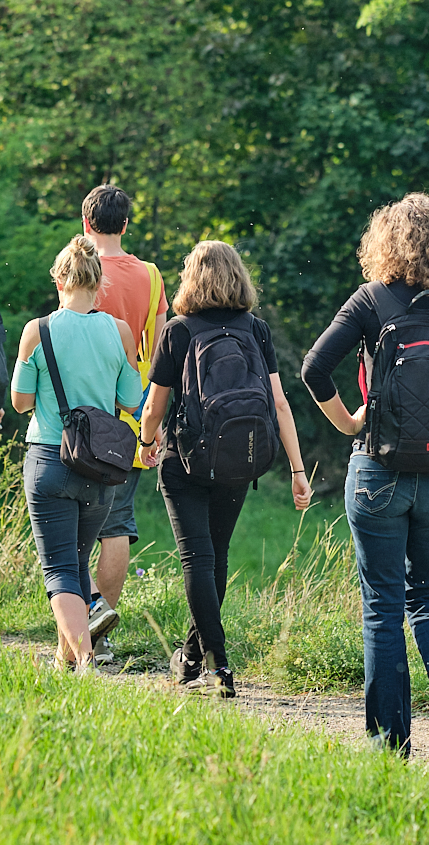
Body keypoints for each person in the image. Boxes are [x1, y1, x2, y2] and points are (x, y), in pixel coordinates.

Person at [299, 193, 429, 765]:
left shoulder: (371, 300)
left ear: (383, 243)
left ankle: (390, 750)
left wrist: (350, 422)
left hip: (377, 472)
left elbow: (314, 368)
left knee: (382, 607)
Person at [137, 241, 312, 698]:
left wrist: (145, 439)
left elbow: (156, 403)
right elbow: (277, 401)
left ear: (190, 279)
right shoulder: (255, 328)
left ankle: (218, 667)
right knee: (215, 554)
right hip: (239, 458)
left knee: (197, 557)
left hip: (187, 459)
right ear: (239, 277)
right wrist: (297, 468)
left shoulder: (178, 331)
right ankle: (194, 657)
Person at [11, 235, 143, 672]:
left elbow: (20, 401)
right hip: (100, 469)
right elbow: (130, 400)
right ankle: (63, 660)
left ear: (59, 279)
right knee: (77, 563)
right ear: (98, 281)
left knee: (60, 570)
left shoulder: (38, 330)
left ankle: (84, 656)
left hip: (50, 459)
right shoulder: (118, 331)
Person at [78, 184, 167, 655]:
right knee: (117, 524)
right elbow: (156, 353)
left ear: (86, 223)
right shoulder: (151, 276)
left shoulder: (77, 267)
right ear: (126, 225)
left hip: (77, 419)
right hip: (130, 419)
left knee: (67, 520)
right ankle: (102, 628)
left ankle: (84, 611)